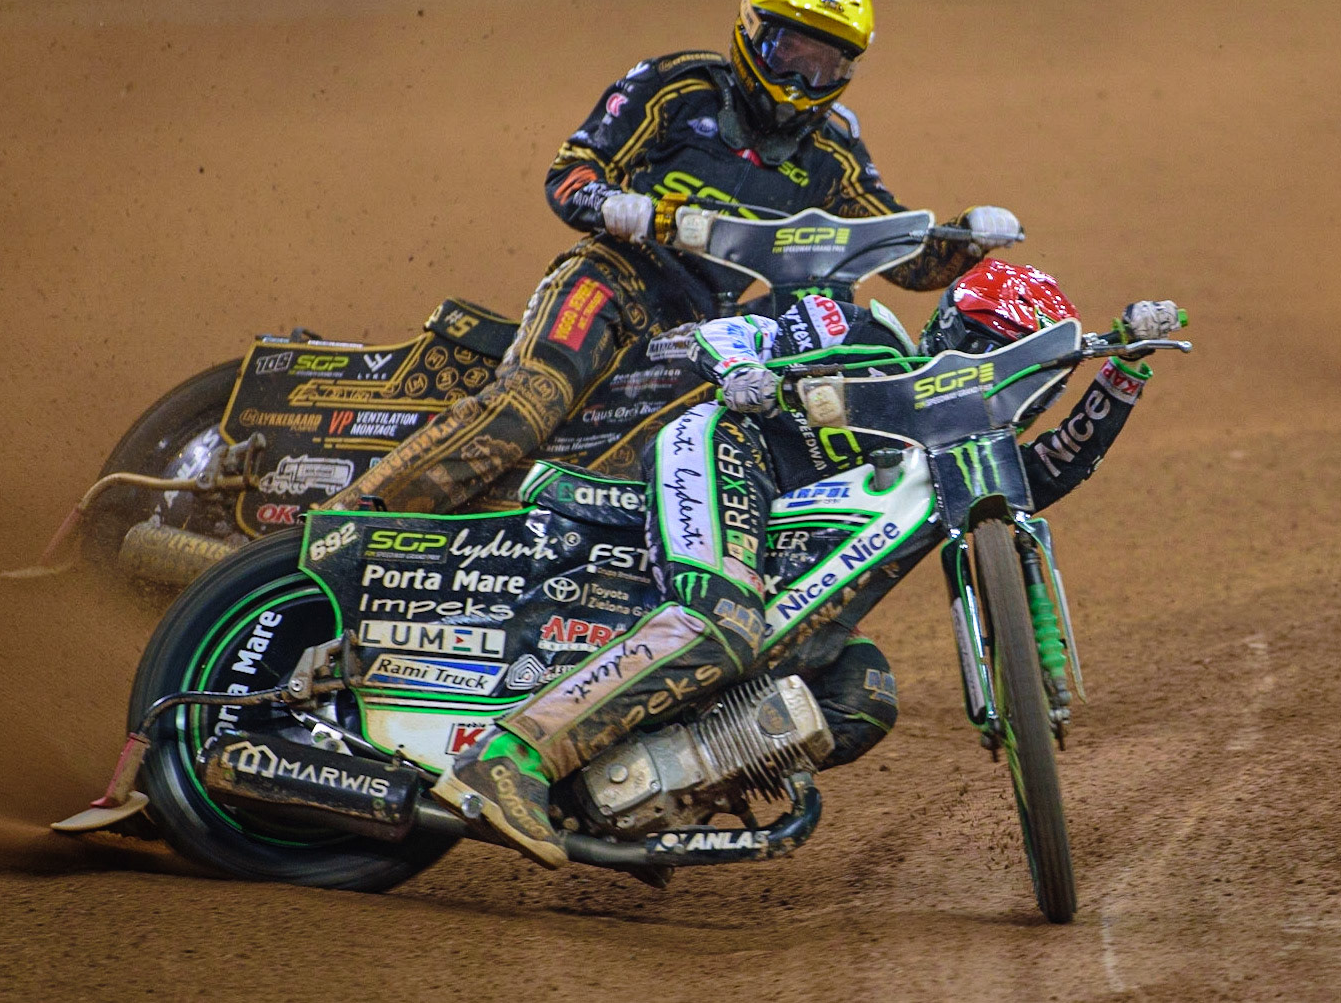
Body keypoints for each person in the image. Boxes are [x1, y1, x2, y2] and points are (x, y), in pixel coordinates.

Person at [434, 260, 1186, 868]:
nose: (996, 371)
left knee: (861, 693)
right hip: (729, 452)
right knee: (719, 623)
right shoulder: (859, 328)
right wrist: (738, 367)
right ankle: (509, 759)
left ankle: (636, 798)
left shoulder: (968, 460)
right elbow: (738, 328)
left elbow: (1047, 471)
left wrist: (1122, 373)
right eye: (984, 342)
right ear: (947, 327)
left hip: (787, 576)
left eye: (1022, 363)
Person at [325, 0, 1018, 515]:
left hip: (703, 329)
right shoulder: (676, 87)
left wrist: (966, 243)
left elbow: (900, 257)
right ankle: (340, 525)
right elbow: (570, 172)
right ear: (750, 34)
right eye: (787, 52)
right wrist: (610, 205)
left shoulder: (832, 156)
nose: (800, 79)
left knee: (683, 463)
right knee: (528, 402)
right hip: (610, 280)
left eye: (823, 65)